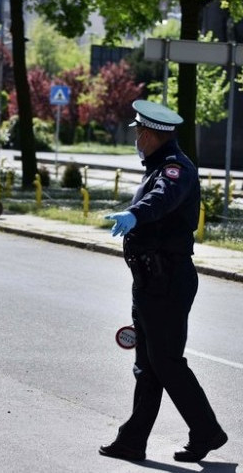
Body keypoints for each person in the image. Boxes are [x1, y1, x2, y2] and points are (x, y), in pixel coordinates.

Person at [99, 100, 227, 463]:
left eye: (140, 132)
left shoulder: (175, 170)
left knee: (165, 360)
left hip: (167, 279)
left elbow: (161, 200)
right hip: (150, 279)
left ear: (154, 135)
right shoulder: (158, 166)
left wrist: (133, 215)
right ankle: (133, 439)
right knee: (149, 363)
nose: (137, 138)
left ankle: (206, 430)